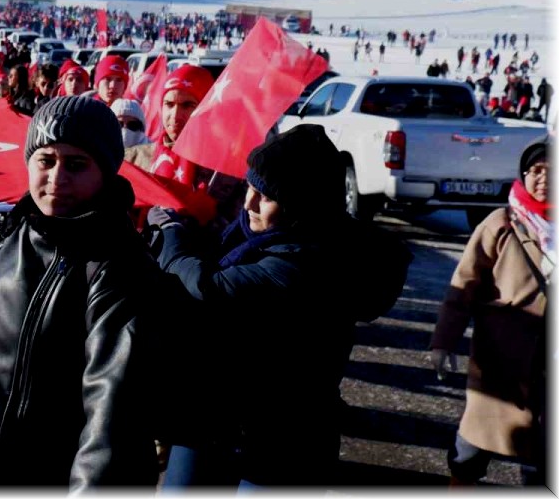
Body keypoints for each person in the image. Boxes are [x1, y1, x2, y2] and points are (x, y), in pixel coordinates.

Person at [146, 125, 410, 488]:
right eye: (248, 190)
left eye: (265, 197)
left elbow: (208, 288)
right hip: (210, 422)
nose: (249, 204)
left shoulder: (307, 263)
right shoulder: (253, 238)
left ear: (301, 207)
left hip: (281, 443)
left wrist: (171, 235)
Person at [0, 96, 160, 489]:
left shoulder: (120, 270)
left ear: (107, 172)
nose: (57, 179)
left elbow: (112, 421)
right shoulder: (22, 232)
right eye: (46, 161)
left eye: (77, 165)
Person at [430, 145, 549, 487]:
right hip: (499, 360)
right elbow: (461, 287)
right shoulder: (502, 223)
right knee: (470, 452)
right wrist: (443, 343)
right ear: (524, 175)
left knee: (542, 463)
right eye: (536, 170)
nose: (543, 179)